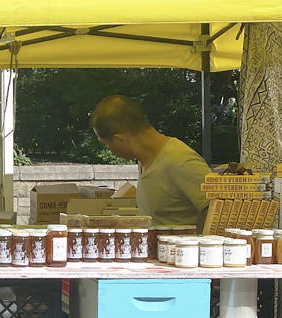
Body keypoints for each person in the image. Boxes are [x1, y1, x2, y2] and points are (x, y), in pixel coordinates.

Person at [90, 95, 211, 230]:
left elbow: (218, 211)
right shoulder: (144, 161)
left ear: (120, 139)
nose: (110, 151)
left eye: (107, 145)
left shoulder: (181, 161)